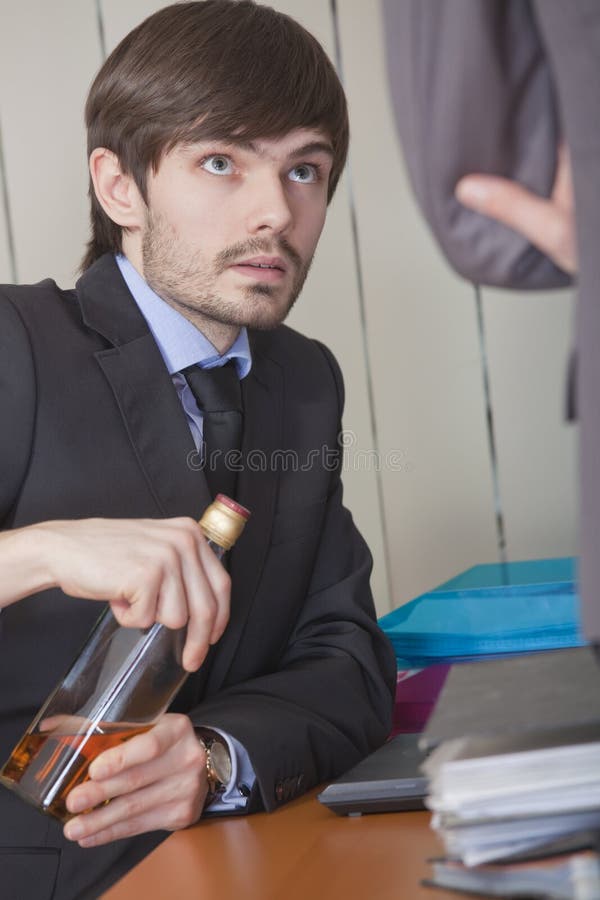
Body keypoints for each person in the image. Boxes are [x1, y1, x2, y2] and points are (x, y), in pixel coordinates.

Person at [0, 3, 397, 898]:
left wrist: (215, 758)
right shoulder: (12, 341)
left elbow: (347, 660)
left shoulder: (302, 381)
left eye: (306, 170)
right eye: (222, 161)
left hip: (251, 867)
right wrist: (35, 552)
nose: (276, 211)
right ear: (120, 188)